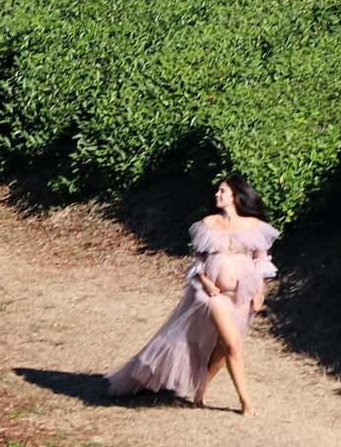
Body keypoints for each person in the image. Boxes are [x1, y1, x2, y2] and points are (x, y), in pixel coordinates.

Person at [106, 174, 278, 415]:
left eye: (222, 191)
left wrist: (258, 293)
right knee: (234, 345)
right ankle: (246, 402)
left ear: (236, 196)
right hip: (212, 294)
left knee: (223, 346)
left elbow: (261, 261)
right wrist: (207, 283)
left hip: (241, 293)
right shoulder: (207, 223)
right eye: (217, 191)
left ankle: (201, 387)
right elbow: (198, 262)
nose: (217, 195)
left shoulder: (253, 226)